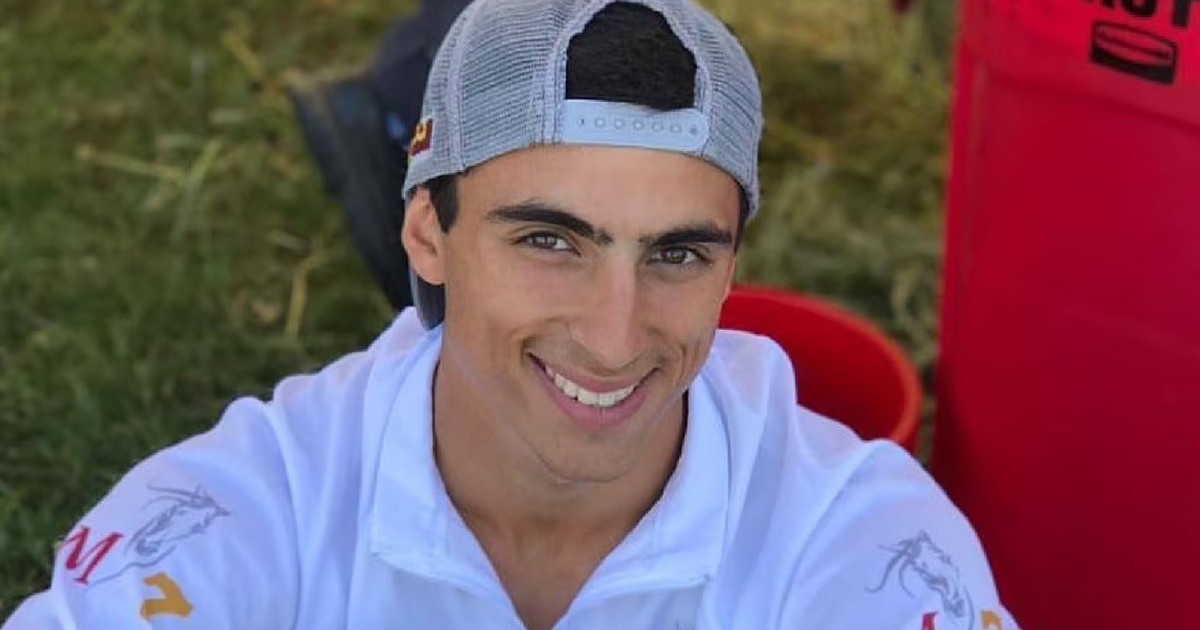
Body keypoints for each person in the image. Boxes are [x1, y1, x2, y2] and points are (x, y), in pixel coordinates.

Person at [3, 0, 1019, 628]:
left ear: (732, 268)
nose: (615, 337)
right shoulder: (253, 512)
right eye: (549, 241)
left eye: (675, 253)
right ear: (427, 236)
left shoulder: (857, 542)